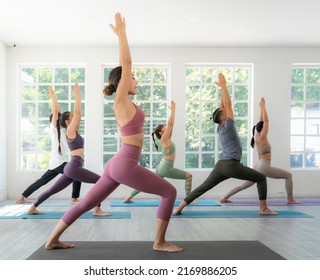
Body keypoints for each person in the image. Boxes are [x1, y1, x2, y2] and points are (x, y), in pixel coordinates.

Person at [44, 13, 183, 253]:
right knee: (169, 191)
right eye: (133, 79)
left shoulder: (128, 103)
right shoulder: (121, 102)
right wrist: (122, 35)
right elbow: (126, 64)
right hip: (124, 163)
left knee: (87, 203)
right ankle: (159, 242)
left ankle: (52, 239)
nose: (136, 81)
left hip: (118, 164)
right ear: (122, 81)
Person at [174, 73, 277, 215]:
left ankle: (179, 208)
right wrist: (223, 86)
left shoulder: (220, 127)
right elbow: (228, 104)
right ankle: (263, 208)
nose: (227, 111)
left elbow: (224, 105)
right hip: (231, 165)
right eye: (224, 112)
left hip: (221, 165)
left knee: (203, 187)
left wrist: (222, 90)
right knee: (261, 177)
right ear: (223, 117)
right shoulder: (228, 125)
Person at [27, 83, 109, 216]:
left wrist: (76, 97)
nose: (75, 117)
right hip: (74, 166)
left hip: (71, 167)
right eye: (71, 116)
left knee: (52, 190)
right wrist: (77, 94)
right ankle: (97, 209)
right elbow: (76, 112)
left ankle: (32, 207)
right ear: (67, 121)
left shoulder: (72, 130)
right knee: (101, 181)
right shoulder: (70, 131)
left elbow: (78, 114)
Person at [220, 97, 299, 204]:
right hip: (264, 166)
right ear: (263, 130)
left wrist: (261, 108)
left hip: (259, 166)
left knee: (244, 185)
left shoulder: (256, 135)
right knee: (288, 176)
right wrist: (263, 106)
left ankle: (224, 198)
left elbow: (262, 121)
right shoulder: (262, 137)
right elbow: (266, 121)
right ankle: (290, 199)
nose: (266, 128)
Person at [16, 86, 81, 205]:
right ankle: (74, 198)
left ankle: (21, 196)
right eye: (56, 118)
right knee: (77, 173)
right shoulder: (53, 130)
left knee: (42, 181)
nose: (58, 118)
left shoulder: (63, 130)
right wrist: (53, 96)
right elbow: (56, 111)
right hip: (58, 162)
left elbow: (59, 113)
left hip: (55, 163)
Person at [123, 100, 193, 203]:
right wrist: (173, 111)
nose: (166, 127)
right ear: (161, 132)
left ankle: (128, 198)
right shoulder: (163, 140)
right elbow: (170, 124)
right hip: (166, 167)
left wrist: (173, 112)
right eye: (163, 128)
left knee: (146, 183)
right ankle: (189, 199)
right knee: (188, 176)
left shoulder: (166, 139)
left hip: (162, 167)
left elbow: (171, 125)